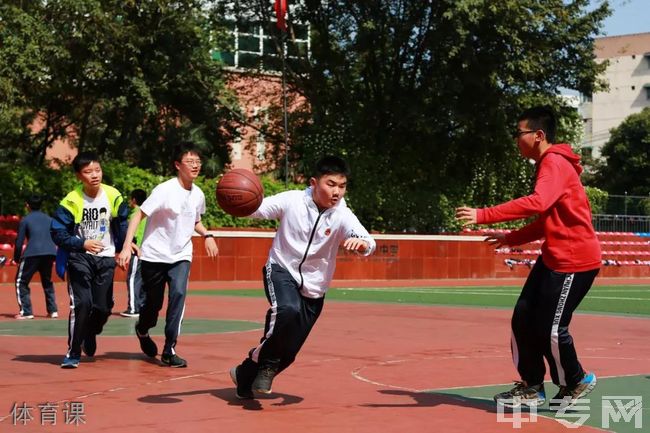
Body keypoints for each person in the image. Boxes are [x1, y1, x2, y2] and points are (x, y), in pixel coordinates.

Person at [456, 106, 601, 411]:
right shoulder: (551, 165)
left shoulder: (554, 162)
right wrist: (510, 238)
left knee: (550, 327)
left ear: (538, 135)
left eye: (518, 133)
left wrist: (483, 215)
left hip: (574, 261)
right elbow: (545, 220)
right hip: (553, 258)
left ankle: (576, 380)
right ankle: (533, 387)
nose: (515, 139)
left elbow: (538, 202)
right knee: (523, 317)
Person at [229, 155, 376, 399]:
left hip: (315, 287)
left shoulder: (342, 214)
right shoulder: (292, 200)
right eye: (331, 184)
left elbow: (369, 242)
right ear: (314, 182)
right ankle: (265, 364)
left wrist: (361, 244)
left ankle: (244, 373)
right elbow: (256, 208)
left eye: (342, 186)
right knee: (287, 310)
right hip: (281, 269)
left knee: (289, 353)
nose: (337, 192)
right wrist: (234, 199)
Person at [117, 142, 218, 368]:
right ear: (177, 165)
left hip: (181, 255)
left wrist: (207, 235)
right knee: (153, 305)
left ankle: (169, 349)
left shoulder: (199, 194)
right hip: (154, 256)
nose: (195, 166)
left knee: (179, 295)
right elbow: (137, 216)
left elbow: (196, 221)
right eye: (190, 162)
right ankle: (143, 330)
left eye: (198, 162)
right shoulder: (164, 190)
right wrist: (126, 246)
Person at [51, 152, 129, 368]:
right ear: (79, 176)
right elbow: (57, 232)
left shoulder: (114, 195)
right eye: (88, 172)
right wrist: (81, 244)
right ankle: (73, 353)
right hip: (80, 257)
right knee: (82, 304)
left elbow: (122, 223)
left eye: (97, 170)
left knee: (103, 308)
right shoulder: (71, 201)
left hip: (105, 258)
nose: (94, 175)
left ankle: (90, 333)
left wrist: (125, 246)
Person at [14, 194, 58, 320]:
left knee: (20, 281)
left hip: (32, 254)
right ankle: (52, 310)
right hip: (49, 253)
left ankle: (26, 312)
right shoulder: (49, 219)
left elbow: (19, 242)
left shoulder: (25, 220)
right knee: (47, 281)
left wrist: (17, 258)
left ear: (27, 205)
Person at [120, 189, 148, 318]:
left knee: (132, 279)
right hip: (148, 251)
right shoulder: (148, 213)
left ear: (134, 200)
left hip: (137, 251)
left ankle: (132, 308)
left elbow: (134, 235)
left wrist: (132, 245)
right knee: (142, 280)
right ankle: (141, 306)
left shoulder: (135, 214)